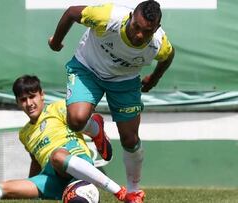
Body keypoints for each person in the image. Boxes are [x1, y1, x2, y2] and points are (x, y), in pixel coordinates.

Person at [48, 0, 175, 202]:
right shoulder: (107, 17)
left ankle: (134, 191)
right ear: (131, 16)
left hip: (124, 81)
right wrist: (56, 41)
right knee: (76, 121)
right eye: (137, 27)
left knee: (130, 140)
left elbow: (168, 56)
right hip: (87, 69)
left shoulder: (159, 44)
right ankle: (95, 129)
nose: (139, 35)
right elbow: (72, 12)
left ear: (156, 28)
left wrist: (154, 78)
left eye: (147, 31)